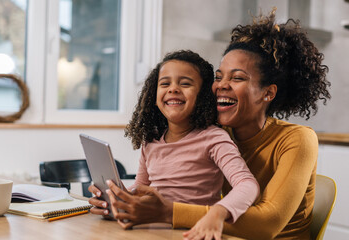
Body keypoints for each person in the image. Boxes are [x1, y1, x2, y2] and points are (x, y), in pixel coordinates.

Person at [89, 8, 331, 240]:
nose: (221, 85)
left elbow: (268, 225)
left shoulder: (297, 139)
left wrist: (166, 212)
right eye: (218, 77)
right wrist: (122, 202)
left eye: (236, 78)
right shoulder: (215, 132)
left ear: (267, 93)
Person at [92, 50, 259, 240]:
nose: (173, 89)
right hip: (152, 231)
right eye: (165, 83)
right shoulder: (151, 142)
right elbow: (140, 188)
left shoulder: (214, 138)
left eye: (185, 83)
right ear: (154, 96)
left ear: (203, 95)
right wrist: (116, 198)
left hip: (192, 232)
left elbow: (247, 184)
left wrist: (217, 213)